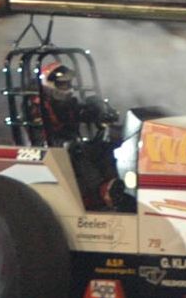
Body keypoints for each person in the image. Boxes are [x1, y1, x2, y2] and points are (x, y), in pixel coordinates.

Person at [33, 61, 127, 211]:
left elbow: (79, 112)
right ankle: (99, 192)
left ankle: (114, 185)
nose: (67, 87)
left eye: (68, 83)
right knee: (76, 150)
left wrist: (98, 112)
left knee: (105, 146)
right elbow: (40, 132)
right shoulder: (38, 106)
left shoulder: (66, 102)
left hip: (70, 142)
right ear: (49, 84)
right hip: (47, 145)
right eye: (63, 84)